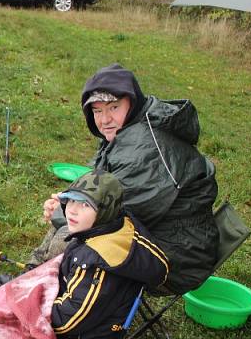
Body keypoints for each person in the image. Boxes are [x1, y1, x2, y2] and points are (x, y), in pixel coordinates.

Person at [34, 63, 219, 295]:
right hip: (160, 231)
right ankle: (30, 277)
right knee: (72, 218)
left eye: (114, 107)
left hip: (177, 256)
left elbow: (112, 215)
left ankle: (42, 298)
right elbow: (99, 186)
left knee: (72, 235)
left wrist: (64, 212)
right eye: (97, 111)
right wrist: (66, 200)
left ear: (132, 102)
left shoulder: (144, 146)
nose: (105, 119)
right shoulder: (130, 128)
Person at [2, 170, 168, 339]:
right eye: (70, 200)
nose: (71, 209)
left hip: (84, 335)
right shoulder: (117, 225)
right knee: (22, 289)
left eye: (85, 205)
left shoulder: (98, 263)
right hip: (89, 308)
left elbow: (65, 323)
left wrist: (27, 307)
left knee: (12, 313)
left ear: (104, 212)